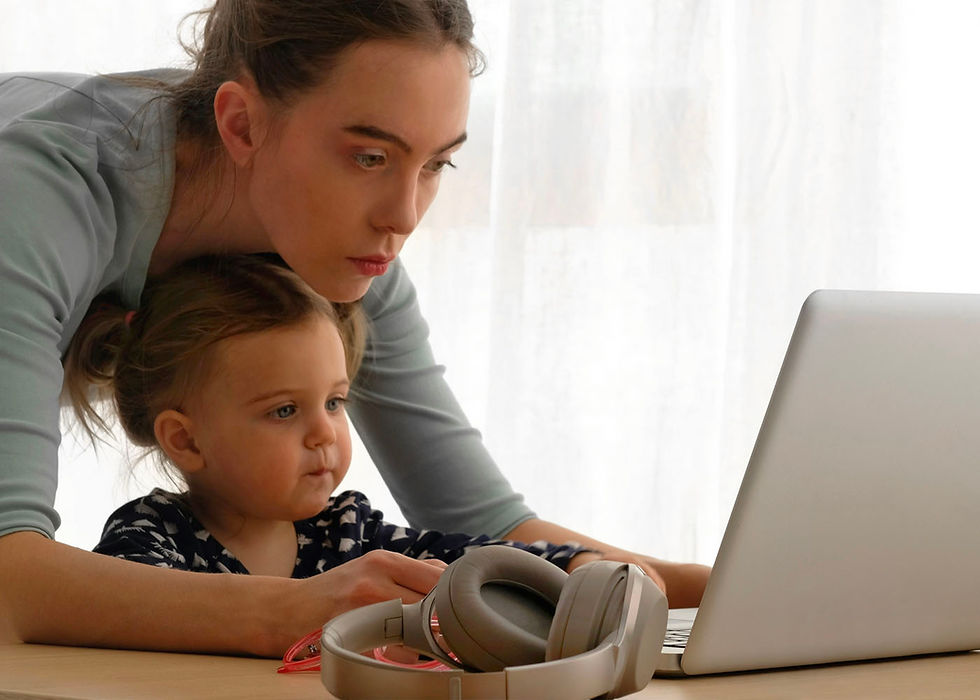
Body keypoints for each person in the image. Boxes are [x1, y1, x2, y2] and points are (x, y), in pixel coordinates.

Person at [0, 0, 710, 656]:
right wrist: (295, 610)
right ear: (241, 124)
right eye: (370, 156)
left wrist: (702, 586)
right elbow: (11, 581)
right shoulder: (37, 197)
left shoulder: (342, 248)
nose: (404, 214)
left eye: (435, 163)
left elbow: (485, 520)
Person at [73, 254, 594, 578]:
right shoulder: (149, 536)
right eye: (284, 411)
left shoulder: (345, 530)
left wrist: (570, 564)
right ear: (186, 441)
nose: (324, 432)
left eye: (334, 402)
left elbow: (465, 556)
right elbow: (132, 615)